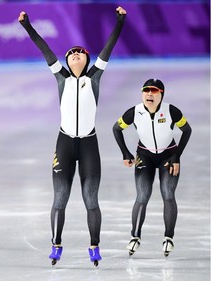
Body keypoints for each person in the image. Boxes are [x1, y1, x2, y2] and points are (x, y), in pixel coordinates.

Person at [18, 6, 126, 266]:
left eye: (80, 52)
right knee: (60, 198)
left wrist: (120, 21)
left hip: (89, 144)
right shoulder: (61, 78)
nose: (76, 54)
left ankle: (94, 246)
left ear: (87, 60)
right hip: (65, 143)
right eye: (71, 53)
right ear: (66, 61)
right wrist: (27, 26)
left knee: (91, 199)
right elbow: (44, 49)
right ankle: (56, 244)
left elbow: (108, 48)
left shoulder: (95, 77)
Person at [112, 79, 192, 257]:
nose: (149, 94)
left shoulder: (171, 111)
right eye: (146, 90)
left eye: (154, 91)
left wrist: (176, 156)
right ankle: (135, 237)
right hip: (145, 156)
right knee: (142, 196)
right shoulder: (135, 112)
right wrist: (125, 153)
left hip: (168, 157)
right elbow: (116, 128)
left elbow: (187, 130)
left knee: (168, 194)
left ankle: (169, 238)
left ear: (161, 94)